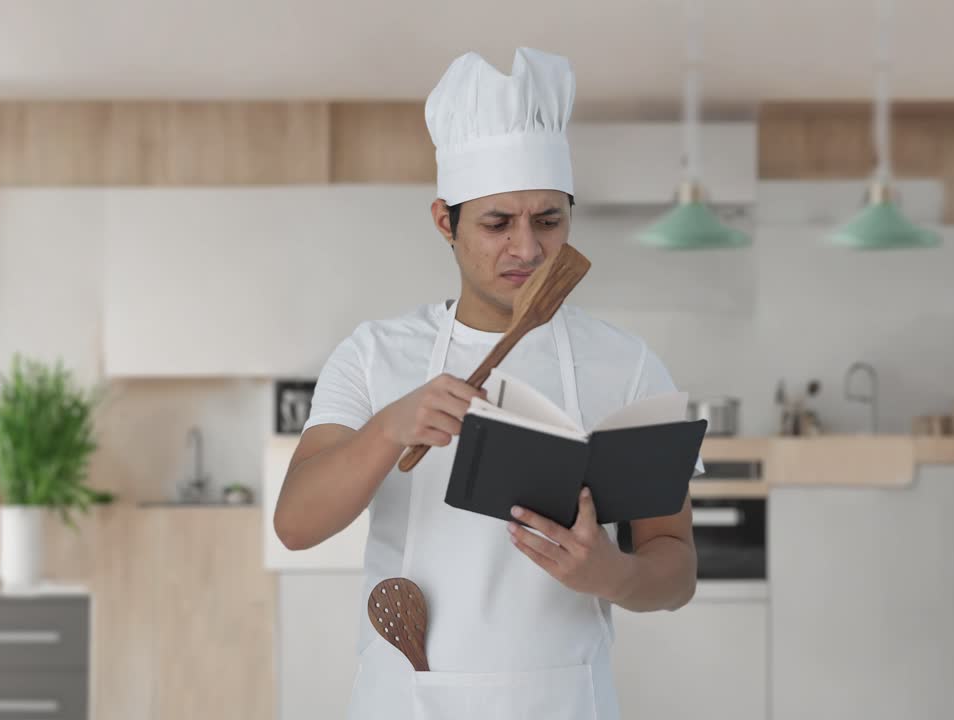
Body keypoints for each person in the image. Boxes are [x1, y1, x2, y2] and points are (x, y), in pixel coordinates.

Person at [273, 47, 699, 720]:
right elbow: (295, 524)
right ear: (446, 221)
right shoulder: (375, 354)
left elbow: (674, 567)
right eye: (498, 223)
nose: (527, 249)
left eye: (549, 221)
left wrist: (610, 574)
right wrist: (389, 427)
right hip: (408, 699)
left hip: (564, 700)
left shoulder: (628, 366)